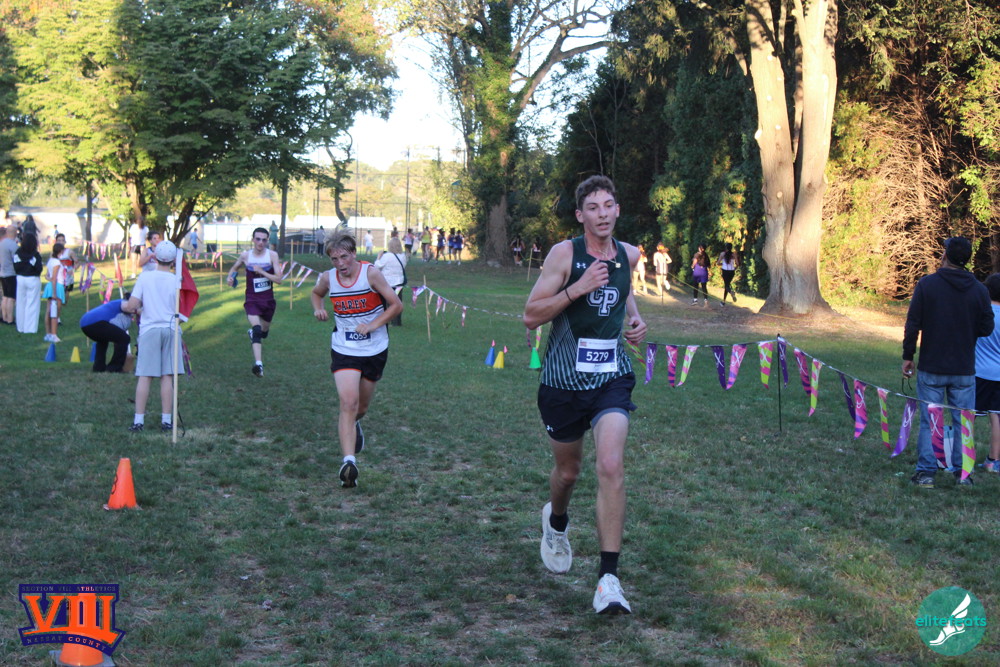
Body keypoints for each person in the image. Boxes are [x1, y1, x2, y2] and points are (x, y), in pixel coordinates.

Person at [523, 174, 647, 615]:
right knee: (569, 472)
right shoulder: (565, 255)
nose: (602, 214)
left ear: (617, 210)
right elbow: (530, 315)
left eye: (608, 205)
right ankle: (556, 521)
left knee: (611, 464)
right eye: (592, 208)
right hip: (562, 384)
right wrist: (578, 287)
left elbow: (624, 294)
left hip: (611, 378)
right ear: (580, 215)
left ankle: (608, 580)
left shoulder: (629, 255)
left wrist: (635, 321)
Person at [310, 230, 403, 488]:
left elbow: (396, 305)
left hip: (375, 348)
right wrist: (318, 308)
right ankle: (349, 463)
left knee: (360, 408)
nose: (340, 264)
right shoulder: (328, 278)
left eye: (344, 257)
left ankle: (355, 425)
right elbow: (316, 293)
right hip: (344, 347)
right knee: (348, 403)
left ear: (353, 253)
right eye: (334, 259)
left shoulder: (370, 274)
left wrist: (373, 325)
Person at [903, 236, 994, 487]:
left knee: (930, 420)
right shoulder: (980, 290)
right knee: (963, 421)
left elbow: (913, 323)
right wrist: (967, 329)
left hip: (932, 365)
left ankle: (926, 473)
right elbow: (986, 326)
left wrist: (908, 356)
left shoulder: (927, 285)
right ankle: (963, 475)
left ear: (945, 256)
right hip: (963, 368)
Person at [122, 240, 182, 433]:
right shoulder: (176, 280)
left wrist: (128, 307)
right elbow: (180, 307)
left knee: (145, 376)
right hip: (171, 329)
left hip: (150, 330)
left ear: (155, 257)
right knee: (167, 376)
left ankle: (139, 421)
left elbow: (132, 305)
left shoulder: (145, 277)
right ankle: (166, 420)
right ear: (173, 260)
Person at [226, 228, 282, 377]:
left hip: (268, 301)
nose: (260, 243)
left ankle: (254, 333)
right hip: (252, 299)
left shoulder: (272, 255)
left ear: (267, 241)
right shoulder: (246, 256)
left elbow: (279, 279)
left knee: (263, 332)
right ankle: (258, 365)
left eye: (264, 240)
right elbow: (234, 268)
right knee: (257, 329)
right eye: (258, 239)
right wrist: (230, 277)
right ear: (253, 240)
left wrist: (262, 271)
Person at [975, 274, 1000, 474]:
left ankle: (961, 456)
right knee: (996, 417)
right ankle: (993, 460)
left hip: (979, 373)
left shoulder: (981, 313)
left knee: (968, 415)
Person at [80, 296, 132, 373]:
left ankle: (98, 367)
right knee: (124, 338)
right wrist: (138, 310)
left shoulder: (114, 303)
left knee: (102, 340)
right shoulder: (123, 302)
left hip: (85, 323)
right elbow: (126, 307)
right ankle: (114, 368)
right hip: (96, 322)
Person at [374, 235, 407, 326]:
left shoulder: (387, 256)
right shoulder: (403, 256)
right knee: (397, 302)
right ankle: (397, 322)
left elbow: (377, 266)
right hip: (399, 282)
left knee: (386, 302)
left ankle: (386, 320)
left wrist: (378, 257)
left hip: (387, 282)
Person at [13, 232, 42, 334]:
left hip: (20, 278)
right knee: (32, 303)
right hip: (32, 278)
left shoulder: (18, 253)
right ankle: (30, 328)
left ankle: (20, 326)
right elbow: (39, 268)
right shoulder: (35, 254)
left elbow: (15, 265)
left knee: (20, 303)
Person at [42, 242, 67, 343]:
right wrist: (54, 293)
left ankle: (48, 334)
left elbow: (47, 276)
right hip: (56, 287)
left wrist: (50, 279)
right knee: (55, 312)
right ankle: (54, 334)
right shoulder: (57, 262)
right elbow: (55, 278)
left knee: (49, 311)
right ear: (60, 251)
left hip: (51, 286)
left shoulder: (50, 261)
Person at [0, 224, 18, 324]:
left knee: (5, 296)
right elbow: (16, 260)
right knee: (11, 297)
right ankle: (10, 319)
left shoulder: (1, 244)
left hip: (2, 272)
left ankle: (4, 317)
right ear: (15, 233)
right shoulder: (13, 245)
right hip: (11, 273)